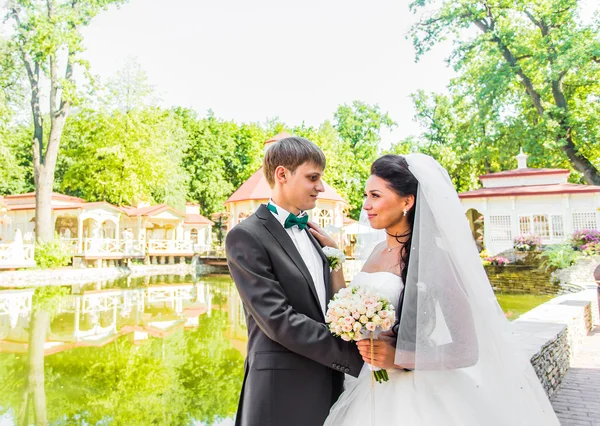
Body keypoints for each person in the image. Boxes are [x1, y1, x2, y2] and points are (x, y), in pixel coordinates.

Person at [324, 154, 560, 426]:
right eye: (366, 195)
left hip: (416, 395)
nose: (366, 205)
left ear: (407, 202)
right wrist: (335, 262)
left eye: (375, 195)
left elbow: (467, 350)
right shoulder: (378, 250)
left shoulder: (435, 258)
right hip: (369, 385)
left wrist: (398, 358)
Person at [225, 136, 363, 426]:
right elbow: (278, 319)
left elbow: (330, 307)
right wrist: (356, 353)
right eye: (313, 178)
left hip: (332, 387)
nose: (321, 187)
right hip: (282, 393)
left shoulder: (316, 236)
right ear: (282, 175)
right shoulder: (246, 236)